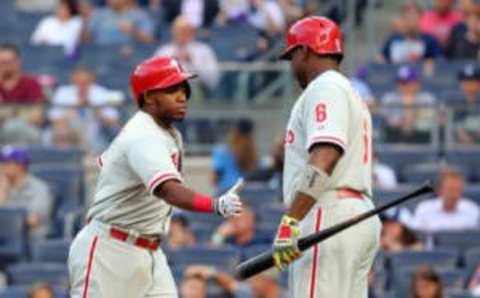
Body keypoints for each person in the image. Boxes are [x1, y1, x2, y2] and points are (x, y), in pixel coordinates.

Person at [67, 56, 244, 298]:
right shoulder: (143, 134)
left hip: (148, 250)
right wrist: (214, 204)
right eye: (172, 89)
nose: (182, 96)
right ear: (149, 97)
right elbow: (167, 190)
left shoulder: (163, 132)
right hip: (110, 250)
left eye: (183, 88)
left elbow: (107, 164)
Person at [272, 16, 381, 298]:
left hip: (328, 212)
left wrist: (291, 220)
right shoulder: (348, 90)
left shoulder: (325, 87)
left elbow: (325, 154)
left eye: (292, 56)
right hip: (355, 212)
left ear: (304, 51)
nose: (292, 66)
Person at [48, 66, 123, 153]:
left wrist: (95, 109)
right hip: (68, 136)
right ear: (73, 81)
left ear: (92, 81)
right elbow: (54, 120)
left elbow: (113, 122)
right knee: (60, 132)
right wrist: (76, 106)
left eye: (86, 82)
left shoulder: (101, 93)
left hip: (95, 137)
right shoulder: (63, 92)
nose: (82, 85)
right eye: (78, 82)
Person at [155, 16, 220, 93]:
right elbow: (154, 78)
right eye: (179, 30)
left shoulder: (204, 50)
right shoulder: (164, 51)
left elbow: (213, 80)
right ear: (172, 31)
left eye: (186, 30)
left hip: (198, 94)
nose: (182, 33)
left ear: (192, 32)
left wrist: (192, 62)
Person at [0, 146, 53, 239]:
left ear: (21, 165)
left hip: (28, 239)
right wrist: (3, 192)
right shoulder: (2, 186)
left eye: (6, 163)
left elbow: (33, 220)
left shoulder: (39, 188)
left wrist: (7, 219)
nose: (2, 167)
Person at [413, 168, 480, 232]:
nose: (454, 194)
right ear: (439, 190)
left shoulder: (473, 210)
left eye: (458, 190)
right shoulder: (424, 209)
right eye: (450, 190)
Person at [381, 65, 437, 143]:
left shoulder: (427, 98)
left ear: (417, 83)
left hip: (422, 139)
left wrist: (411, 119)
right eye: (399, 82)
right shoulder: (389, 98)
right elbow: (388, 121)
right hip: (394, 138)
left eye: (405, 83)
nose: (402, 86)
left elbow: (429, 122)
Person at [211, 119, 258, 194]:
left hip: (225, 192)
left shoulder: (222, 151)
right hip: (244, 191)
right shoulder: (253, 152)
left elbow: (214, 178)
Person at [183, 265, 286, 298]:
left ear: (267, 281)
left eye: (255, 280)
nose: (251, 284)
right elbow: (231, 284)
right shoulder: (251, 293)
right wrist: (210, 272)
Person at [85, 0, 154, 44]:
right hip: (101, 55)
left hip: (129, 55)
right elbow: (86, 39)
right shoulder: (98, 14)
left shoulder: (139, 15)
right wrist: (85, 20)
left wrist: (133, 31)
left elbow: (150, 40)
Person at [454, 64, 480, 144]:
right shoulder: (454, 103)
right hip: (460, 148)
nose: (468, 84)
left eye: (472, 80)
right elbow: (455, 126)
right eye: (465, 81)